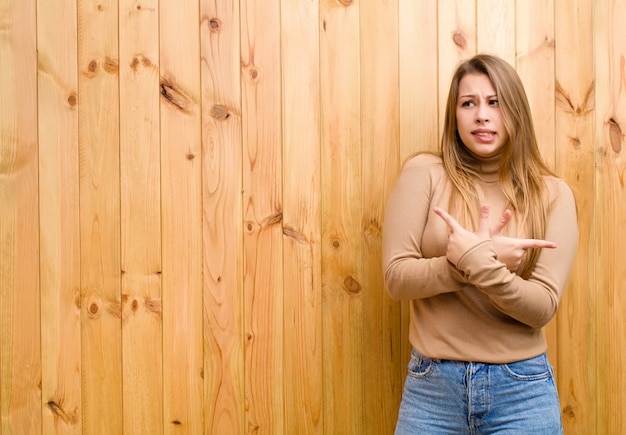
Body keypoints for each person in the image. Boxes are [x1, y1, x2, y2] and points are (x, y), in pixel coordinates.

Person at [382, 53, 578, 434]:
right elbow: (396, 277)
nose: (482, 115)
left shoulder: (553, 194)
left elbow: (542, 307)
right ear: (454, 115)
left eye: (495, 102)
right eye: (468, 103)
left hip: (522, 393)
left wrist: (478, 263)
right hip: (432, 391)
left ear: (515, 110)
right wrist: (468, 262)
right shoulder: (424, 173)